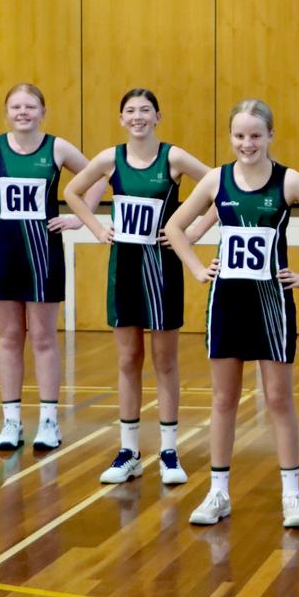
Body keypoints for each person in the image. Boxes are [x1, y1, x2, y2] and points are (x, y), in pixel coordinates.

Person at [163, 98, 299, 527]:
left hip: (272, 302)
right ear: (230, 137)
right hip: (227, 302)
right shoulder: (216, 180)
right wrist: (198, 267)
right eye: (240, 135)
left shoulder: (288, 181)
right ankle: (218, 492)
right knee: (224, 399)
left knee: (278, 398)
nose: (247, 143)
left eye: (256, 135)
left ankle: (292, 493)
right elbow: (173, 227)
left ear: (271, 136)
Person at [65, 88, 215, 485]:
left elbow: (221, 186)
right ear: (121, 118)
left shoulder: (174, 158)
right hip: (125, 268)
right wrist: (97, 228)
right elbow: (71, 192)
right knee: (127, 359)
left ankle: (169, 450)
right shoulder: (110, 159)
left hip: (162, 268)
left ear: (158, 116)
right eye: (130, 110)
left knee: (164, 361)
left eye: (145, 110)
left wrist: (194, 230)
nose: (138, 117)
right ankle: (128, 450)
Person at [0, 83, 104, 452]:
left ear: (43, 111)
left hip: (43, 252)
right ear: (6, 111)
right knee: (9, 337)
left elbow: (99, 175)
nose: (23, 112)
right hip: (4, 251)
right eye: (16, 107)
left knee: (42, 337)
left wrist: (79, 218)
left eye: (30, 106)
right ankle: (11, 421)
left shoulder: (56, 148)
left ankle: (48, 419)